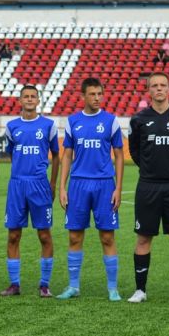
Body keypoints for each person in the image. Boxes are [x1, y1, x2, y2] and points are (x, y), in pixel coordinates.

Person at [127, 72, 169, 304]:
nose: (158, 88)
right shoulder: (138, 119)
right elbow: (135, 151)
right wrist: (149, 169)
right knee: (143, 238)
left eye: (162, 85)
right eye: (154, 85)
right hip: (147, 186)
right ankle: (140, 290)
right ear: (149, 90)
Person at [57, 78, 124, 301]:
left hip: (105, 185)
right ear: (83, 96)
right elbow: (67, 155)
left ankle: (112, 288)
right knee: (75, 237)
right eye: (92, 94)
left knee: (107, 237)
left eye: (99, 94)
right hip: (78, 184)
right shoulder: (73, 121)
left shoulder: (111, 121)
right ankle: (73, 286)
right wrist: (62, 187)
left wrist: (118, 188)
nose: (97, 98)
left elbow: (119, 156)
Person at [0, 85, 59, 298]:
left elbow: (56, 156)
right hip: (17, 185)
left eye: (33, 96)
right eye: (26, 96)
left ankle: (44, 285)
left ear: (38, 100)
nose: (30, 99)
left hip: (39, 185)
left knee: (44, 235)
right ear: (20, 100)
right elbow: (12, 153)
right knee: (13, 235)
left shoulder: (48, 125)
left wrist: (52, 184)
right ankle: (14, 284)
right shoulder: (12, 126)